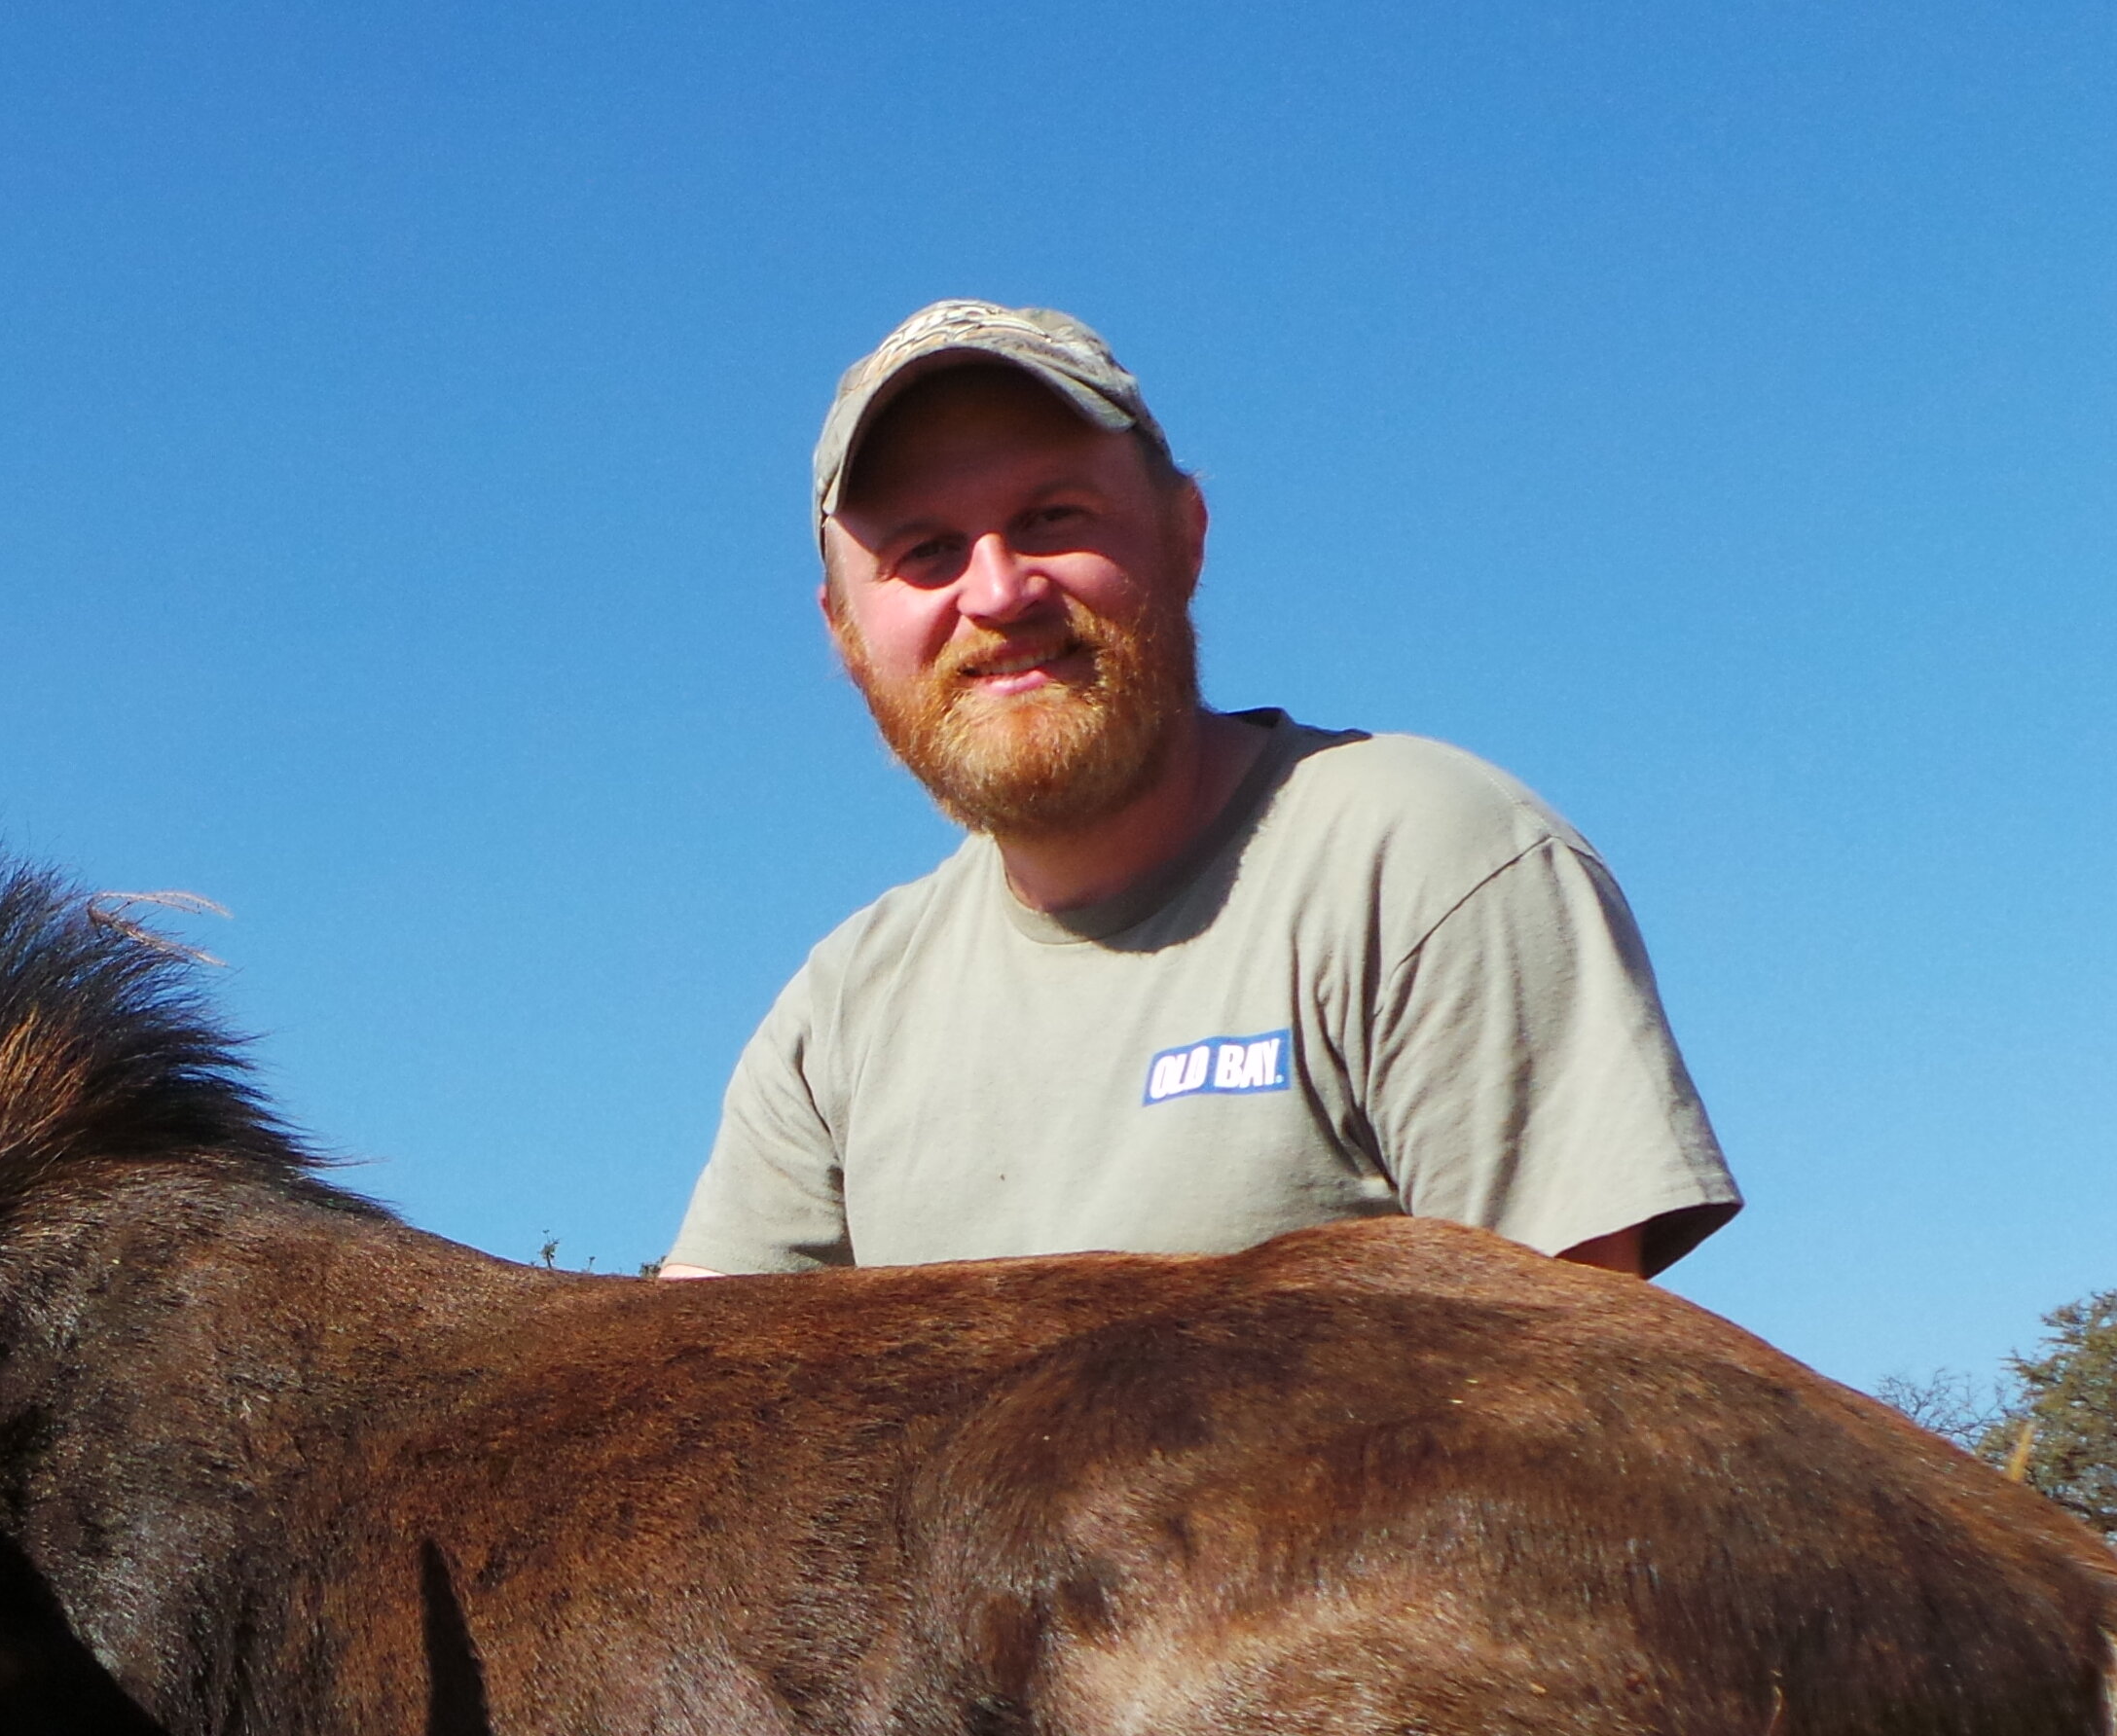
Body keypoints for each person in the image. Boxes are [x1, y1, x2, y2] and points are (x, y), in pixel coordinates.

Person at [664, 301, 1739, 1282]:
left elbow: (1575, 1410)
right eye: (926, 551)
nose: (999, 592)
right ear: (844, 637)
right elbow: (691, 1430)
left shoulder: (1427, 857)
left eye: (1052, 516)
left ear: (1186, 537)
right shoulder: (838, 1019)